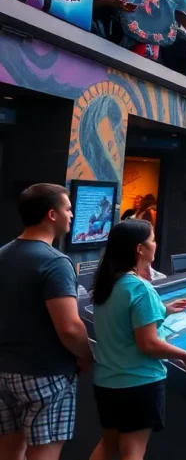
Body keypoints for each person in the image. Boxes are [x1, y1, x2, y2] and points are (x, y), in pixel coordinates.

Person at [89, 220, 186, 460]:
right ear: (140, 249)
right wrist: (185, 355)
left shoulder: (107, 284)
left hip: (107, 382)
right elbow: (148, 343)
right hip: (138, 383)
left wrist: (163, 310)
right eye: (152, 240)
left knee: (108, 443)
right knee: (133, 451)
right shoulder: (140, 288)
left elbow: (123, 322)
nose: (155, 244)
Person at [0, 184, 91, 460]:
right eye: (68, 209)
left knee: (9, 451)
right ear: (52, 214)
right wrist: (87, 355)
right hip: (46, 373)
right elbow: (69, 327)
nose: (71, 215)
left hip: (5, 370)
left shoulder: (3, 254)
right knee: (43, 454)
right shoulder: (55, 262)